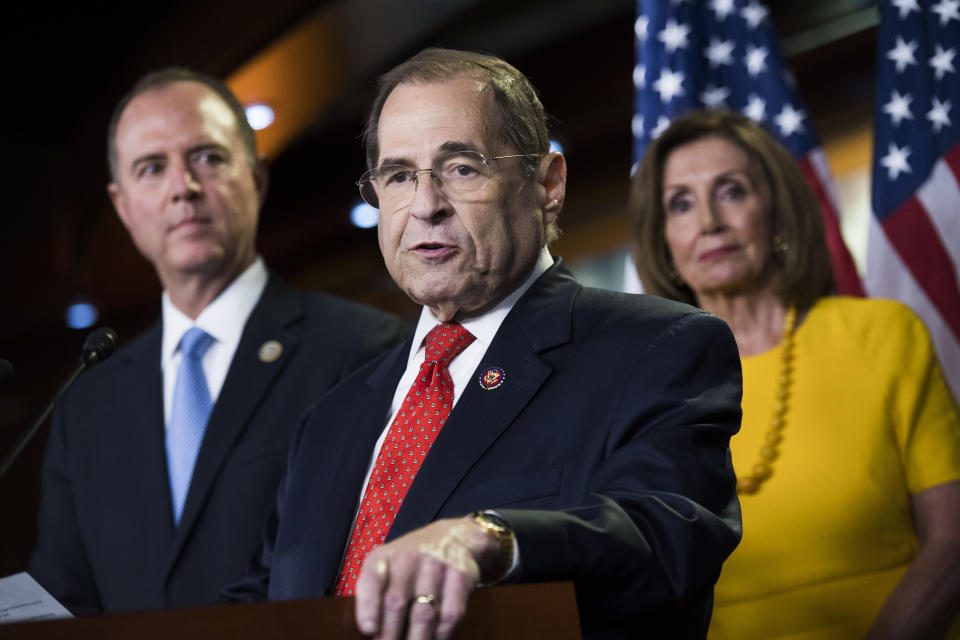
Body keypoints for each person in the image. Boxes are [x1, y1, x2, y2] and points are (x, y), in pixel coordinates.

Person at [223, 48, 743, 639]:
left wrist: (492, 537)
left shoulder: (656, 349)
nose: (425, 206)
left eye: (462, 168)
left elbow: (670, 535)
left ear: (547, 184)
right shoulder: (330, 419)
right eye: (398, 176)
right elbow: (263, 603)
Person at [28, 68, 405, 615]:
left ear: (256, 178)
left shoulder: (361, 349)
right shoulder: (86, 398)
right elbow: (62, 601)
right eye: (152, 168)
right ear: (123, 206)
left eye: (207, 156)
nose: (183, 186)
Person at [630, 109, 960, 639]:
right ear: (663, 240)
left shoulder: (884, 333)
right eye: (681, 203)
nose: (710, 221)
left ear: (777, 212)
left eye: (732, 191)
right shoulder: (640, 388)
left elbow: (953, 542)